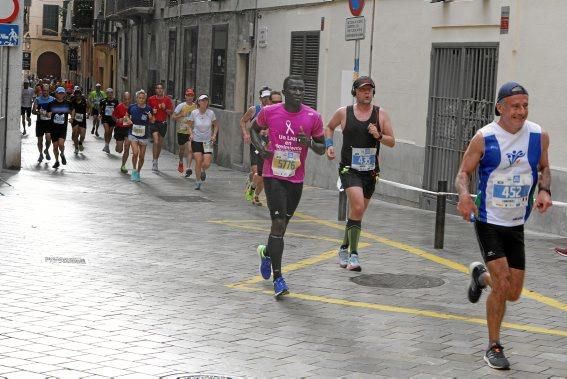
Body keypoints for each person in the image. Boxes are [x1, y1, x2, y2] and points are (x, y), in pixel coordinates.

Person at [455, 81, 552, 370]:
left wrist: (545, 190)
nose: (521, 112)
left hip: (516, 222)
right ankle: (494, 345)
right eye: (515, 106)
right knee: (503, 284)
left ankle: (479, 277)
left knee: (513, 292)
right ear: (500, 107)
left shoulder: (538, 136)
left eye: (525, 106)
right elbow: (463, 173)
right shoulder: (484, 138)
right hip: (488, 220)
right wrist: (463, 196)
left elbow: (544, 168)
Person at [251, 75, 326, 298]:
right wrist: (261, 150)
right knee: (278, 222)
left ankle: (266, 252)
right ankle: (279, 279)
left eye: (301, 89)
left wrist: (309, 143)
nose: (298, 92)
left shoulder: (313, 116)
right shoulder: (270, 112)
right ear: (284, 92)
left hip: (295, 178)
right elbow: (254, 129)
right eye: (293, 89)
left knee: (282, 228)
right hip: (273, 174)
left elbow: (322, 147)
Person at [325, 76, 395, 271]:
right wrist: (329, 146)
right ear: (355, 92)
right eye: (363, 89)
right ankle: (354, 255)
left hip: (370, 172)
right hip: (350, 169)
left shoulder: (381, 115)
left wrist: (378, 135)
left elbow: (392, 141)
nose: (367, 93)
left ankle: (343, 248)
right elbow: (329, 127)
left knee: (357, 213)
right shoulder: (344, 113)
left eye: (370, 90)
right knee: (356, 206)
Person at [241, 86, 272, 205]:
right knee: (257, 172)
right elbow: (243, 121)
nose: (266, 100)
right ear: (260, 98)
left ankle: (256, 195)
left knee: (264, 176)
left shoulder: (274, 111)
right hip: (256, 144)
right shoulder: (254, 110)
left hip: (268, 146)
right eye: (264, 97)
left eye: (268, 97)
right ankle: (252, 187)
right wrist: (246, 134)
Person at [186, 94, 218, 190]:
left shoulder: (211, 113)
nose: (204, 102)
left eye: (206, 100)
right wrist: (191, 134)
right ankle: (198, 181)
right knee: (198, 161)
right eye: (202, 100)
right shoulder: (194, 113)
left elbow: (216, 125)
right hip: (196, 140)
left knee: (207, 162)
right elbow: (188, 125)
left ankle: (203, 170)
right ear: (198, 102)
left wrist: (214, 135)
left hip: (207, 141)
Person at [124, 90, 155, 182]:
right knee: (136, 153)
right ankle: (134, 170)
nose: (141, 100)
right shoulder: (132, 107)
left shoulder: (149, 109)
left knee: (141, 156)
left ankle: (138, 172)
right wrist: (128, 120)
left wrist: (150, 117)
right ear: (137, 98)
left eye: (143, 98)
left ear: (145, 99)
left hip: (144, 135)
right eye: (139, 98)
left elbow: (153, 121)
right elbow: (126, 116)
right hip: (133, 134)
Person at [147, 83, 174, 171]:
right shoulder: (151, 99)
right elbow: (147, 111)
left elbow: (170, 112)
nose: (159, 90)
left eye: (161, 88)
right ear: (155, 90)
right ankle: (154, 162)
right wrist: (151, 111)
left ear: (163, 90)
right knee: (156, 141)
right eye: (158, 88)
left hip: (163, 123)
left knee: (159, 144)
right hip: (154, 122)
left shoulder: (167, 99)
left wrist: (165, 108)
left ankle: (156, 160)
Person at [172, 88, 197, 176]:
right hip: (181, 131)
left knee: (190, 149)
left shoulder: (196, 106)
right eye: (188, 95)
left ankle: (188, 168)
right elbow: (173, 117)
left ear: (193, 97)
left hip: (191, 132)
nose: (190, 97)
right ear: (185, 96)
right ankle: (181, 161)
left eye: (191, 95)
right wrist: (181, 115)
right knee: (182, 150)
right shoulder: (181, 106)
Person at [47, 87, 72, 169]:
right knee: (55, 146)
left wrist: (72, 117)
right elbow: (48, 113)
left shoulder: (67, 103)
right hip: (53, 128)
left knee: (61, 144)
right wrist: (48, 114)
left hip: (62, 127)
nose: (61, 95)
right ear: (56, 94)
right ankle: (57, 161)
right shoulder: (51, 103)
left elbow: (71, 111)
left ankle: (62, 153)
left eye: (62, 93)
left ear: (64, 94)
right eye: (59, 93)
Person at [31, 84, 53, 163]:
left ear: (49, 91)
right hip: (40, 123)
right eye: (44, 90)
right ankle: (41, 154)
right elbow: (33, 111)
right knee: (40, 140)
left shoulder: (52, 99)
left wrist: (50, 113)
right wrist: (39, 113)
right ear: (41, 91)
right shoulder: (38, 99)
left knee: (48, 138)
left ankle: (46, 150)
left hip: (49, 123)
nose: (45, 92)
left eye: (47, 91)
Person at [112, 92, 132, 174]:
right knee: (119, 150)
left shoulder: (132, 108)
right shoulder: (119, 106)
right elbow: (113, 116)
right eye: (125, 99)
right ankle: (117, 146)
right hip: (119, 129)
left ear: (130, 99)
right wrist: (117, 120)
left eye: (128, 99)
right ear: (122, 98)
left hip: (128, 129)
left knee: (127, 147)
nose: (126, 101)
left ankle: (123, 165)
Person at [100, 88, 120, 153]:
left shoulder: (115, 101)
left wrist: (117, 117)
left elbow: (117, 110)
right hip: (105, 118)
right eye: (108, 93)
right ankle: (106, 144)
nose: (109, 94)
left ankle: (107, 145)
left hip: (112, 119)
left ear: (112, 93)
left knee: (110, 132)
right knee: (107, 130)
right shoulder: (103, 101)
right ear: (106, 94)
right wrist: (100, 114)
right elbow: (100, 108)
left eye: (111, 92)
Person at [70, 89, 88, 154]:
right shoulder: (73, 101)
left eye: (79, 95)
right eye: (76, 95)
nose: (77, 96)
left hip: (83, 119)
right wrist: (72, 117)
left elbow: (87, 108)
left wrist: (88, 113)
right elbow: (73, 110)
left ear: (81, 95)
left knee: (82, 135)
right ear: (74, 95)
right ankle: (76, 148)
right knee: (75, 134)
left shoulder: (84, 101)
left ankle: (80, 143)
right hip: (75, 119)